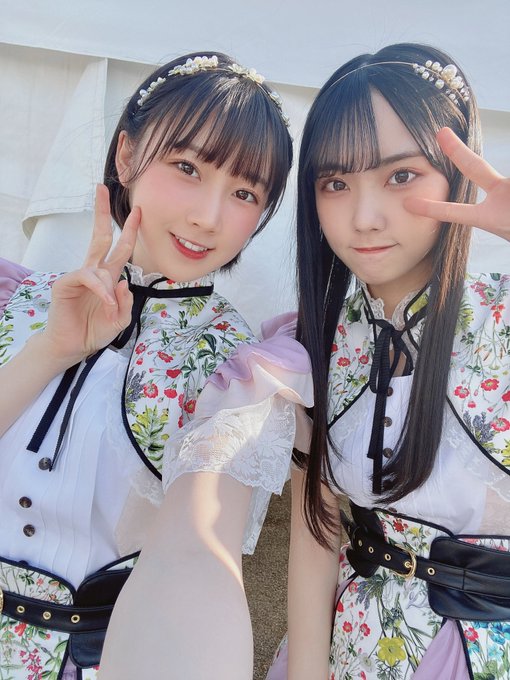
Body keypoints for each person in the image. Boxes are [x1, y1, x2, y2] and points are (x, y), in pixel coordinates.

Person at [0, 51, 312, 679]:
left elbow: (204, 561)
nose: (208, 216)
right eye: (187, 167)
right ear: (126, 155)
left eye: (244, 192)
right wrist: (50, 350)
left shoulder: (240, 369)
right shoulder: (17, 303)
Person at [266, 42, 510, 679]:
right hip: (353, 647)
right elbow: (317, 532)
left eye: (401, 176)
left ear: (454, 174)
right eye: (336, 183)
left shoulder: (501, 319)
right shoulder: (314, 343)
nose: (365, 217)